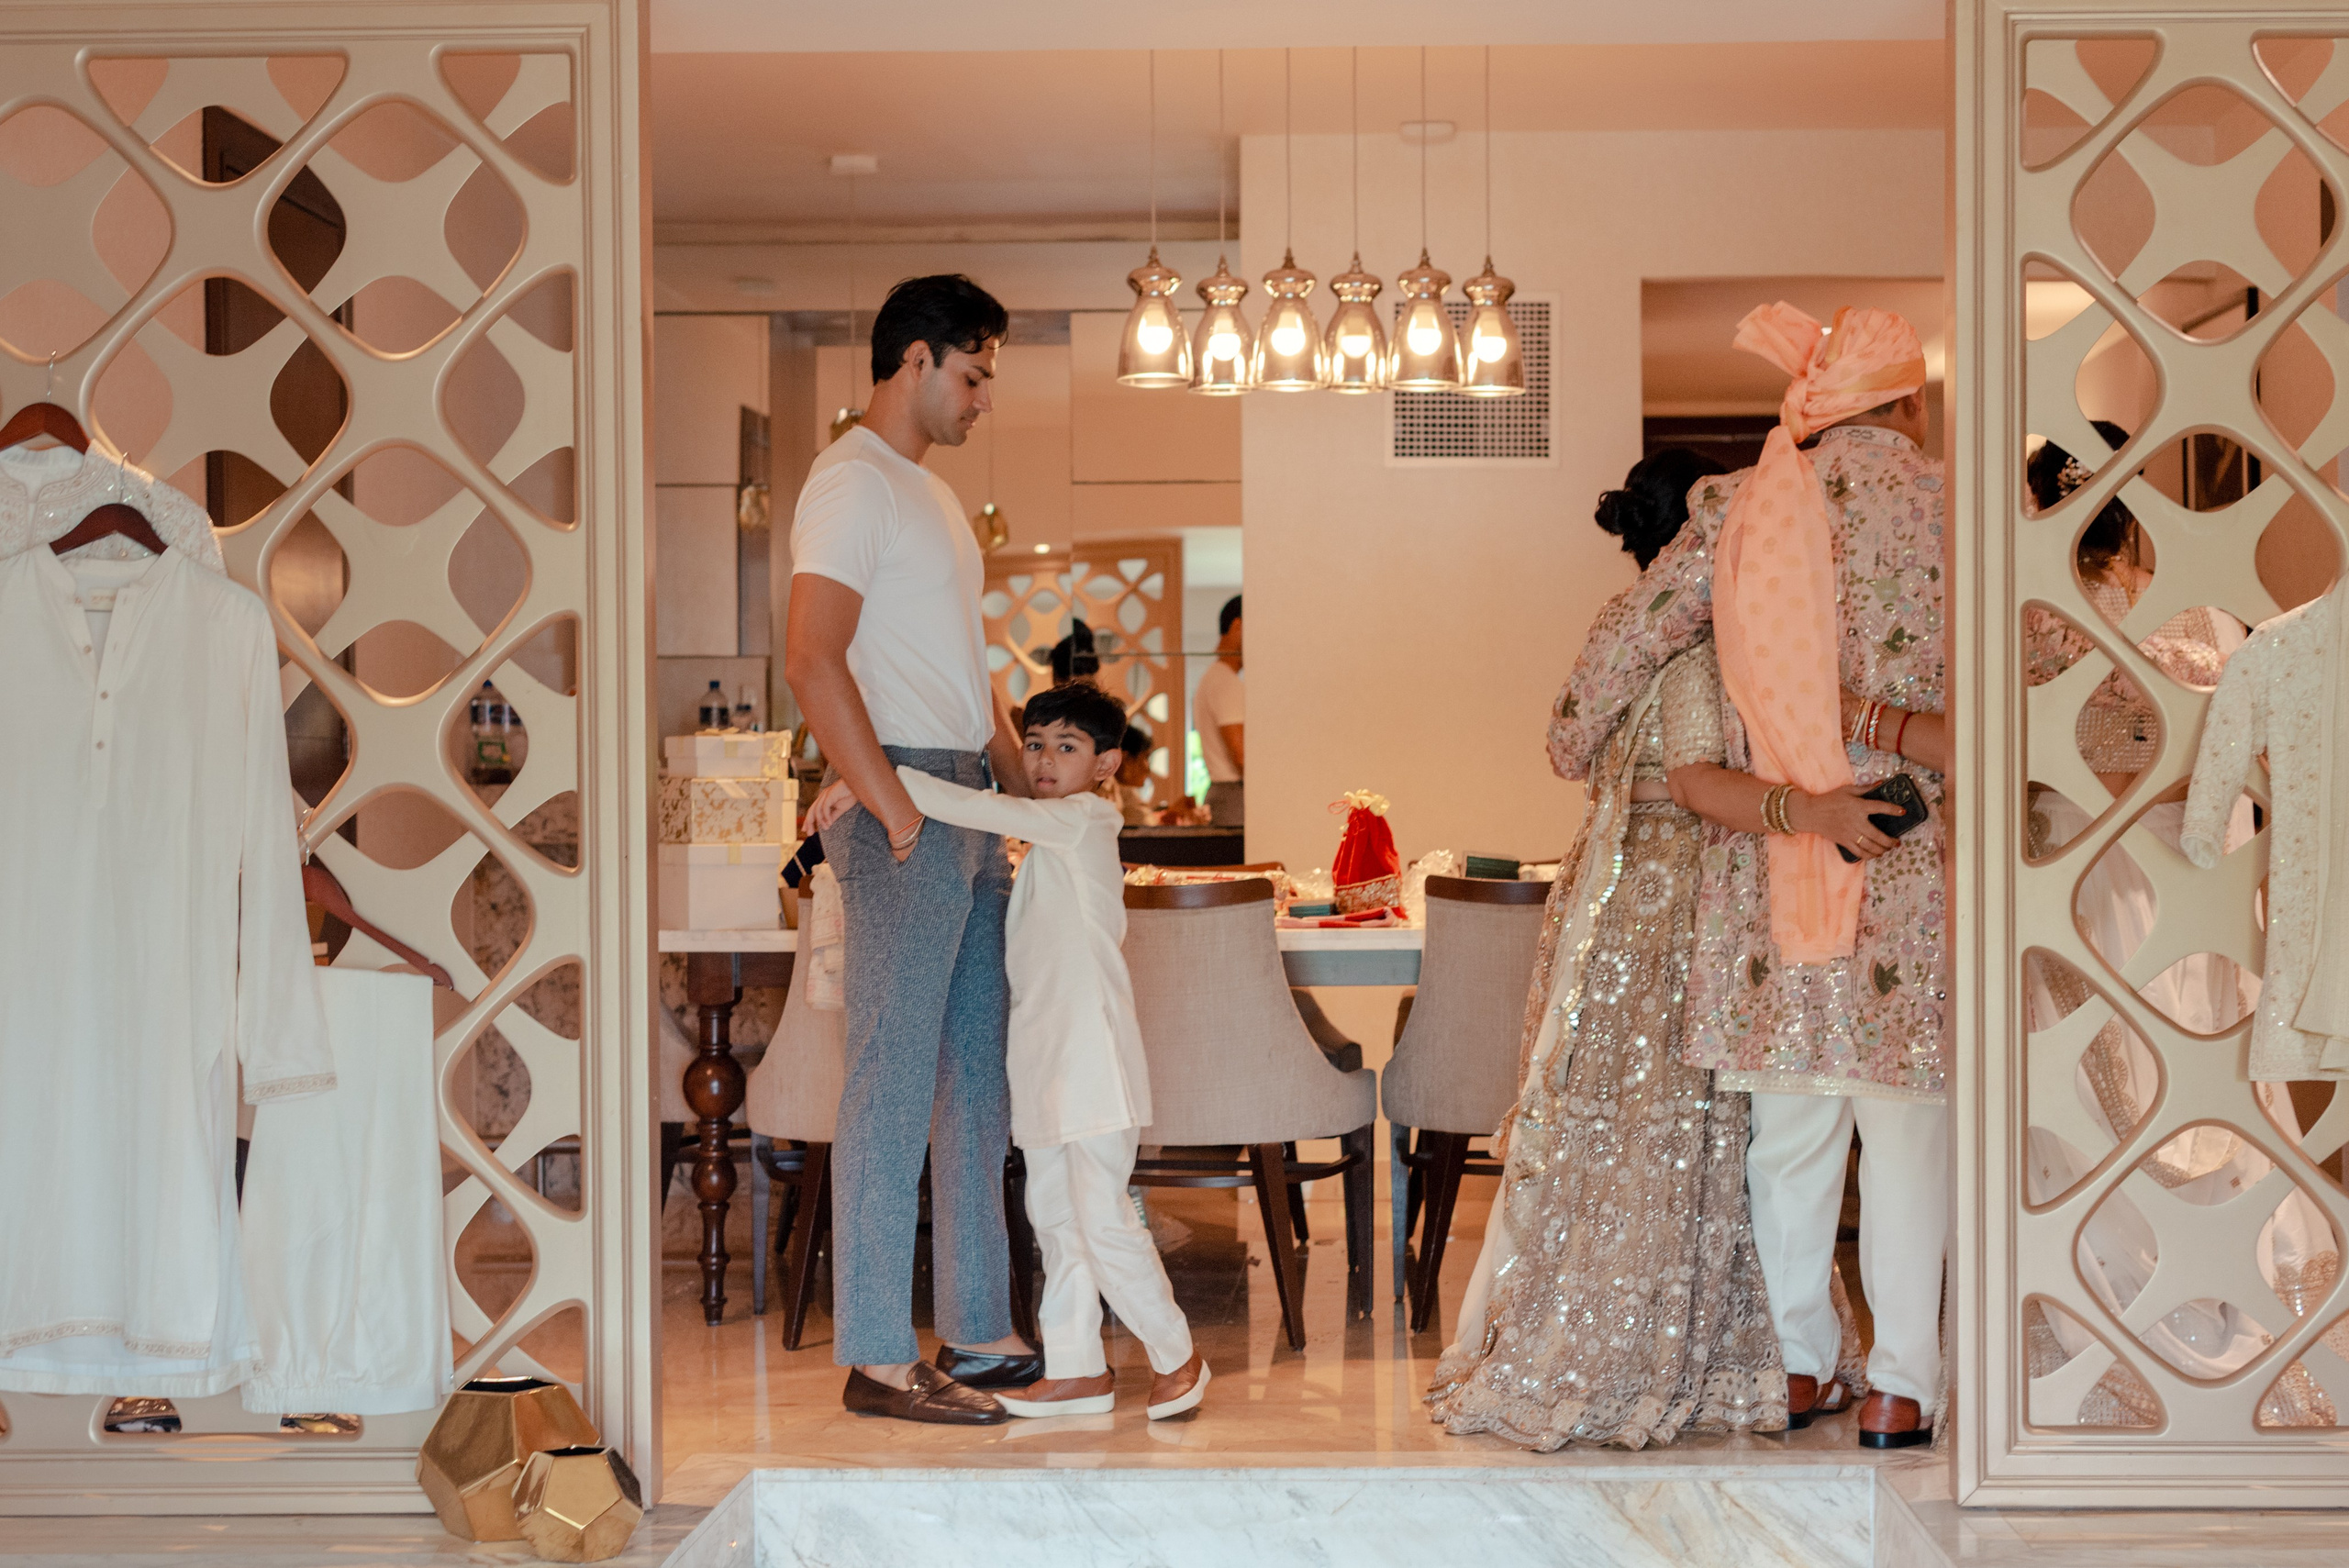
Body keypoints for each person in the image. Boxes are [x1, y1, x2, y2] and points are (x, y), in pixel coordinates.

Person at [1545, 304, 1952, 1449]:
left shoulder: (1736, 503)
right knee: (1908, 1135)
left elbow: (1619, 649)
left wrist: (1575, 737)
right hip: (1917, 864)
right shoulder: (1961, 508)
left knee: (1790, 1136)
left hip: (1771, 865)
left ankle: (1797, 1365)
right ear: (1909, 401)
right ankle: (1902, 1385)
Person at [1429, 448, 1791, 1451]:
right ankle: (1668, 1338)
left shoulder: (1624, 624)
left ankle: (1606, 1317)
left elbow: (1565, 745)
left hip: (1614, 882)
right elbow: (1701, 772)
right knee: (1685, 1111)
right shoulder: (1722, 634)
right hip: (1689, 885)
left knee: (1623, 1108)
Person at [2017, 431, 2334, 1424]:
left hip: (2082, 873)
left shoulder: (2030, 616)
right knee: (2201, 1078)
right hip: (2193, 875)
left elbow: (2036, 761)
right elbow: (2244, 764)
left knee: (2091, 1097)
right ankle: (2240, 1330)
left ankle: (2117, 1344)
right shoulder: (2201, 614)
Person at [806, 681, 1209, 1419]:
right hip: (1047, 1071)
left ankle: (1178, 1354)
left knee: (1102, 1216)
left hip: (1093, 1068)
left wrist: (871, 780)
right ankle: (1078, 1367)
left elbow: (985, 808)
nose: (1046, 760)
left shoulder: (1084, 821)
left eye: (1067, 747)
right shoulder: (1046, 843)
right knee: (1054, 1216)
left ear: (1106, 764)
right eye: (1035, 744)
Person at [782, 272, 1035, 1426]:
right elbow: (811, 656)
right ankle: (879, 1353)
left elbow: (967, 669)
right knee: (890, 1078)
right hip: (913, 802)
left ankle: (978, 1327)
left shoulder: (928, 493)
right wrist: (893, 811)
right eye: (973, 375)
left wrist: (1029, 796)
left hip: (969, 801)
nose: (983, 400)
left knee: (976, 1075)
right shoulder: (851, 480)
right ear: (917, 358)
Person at [1192, 595, 1244, 827]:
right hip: (1233, 796)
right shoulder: (1225, 681)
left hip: (1225, 794)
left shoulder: (1214, 677)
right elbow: (1241, 755)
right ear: (1237, 626)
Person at [1109, 721, 1154, 825]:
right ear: (1126, 758)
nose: (1148, 769)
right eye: (1146, 757)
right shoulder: (1112, 793)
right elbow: (1146, 825)